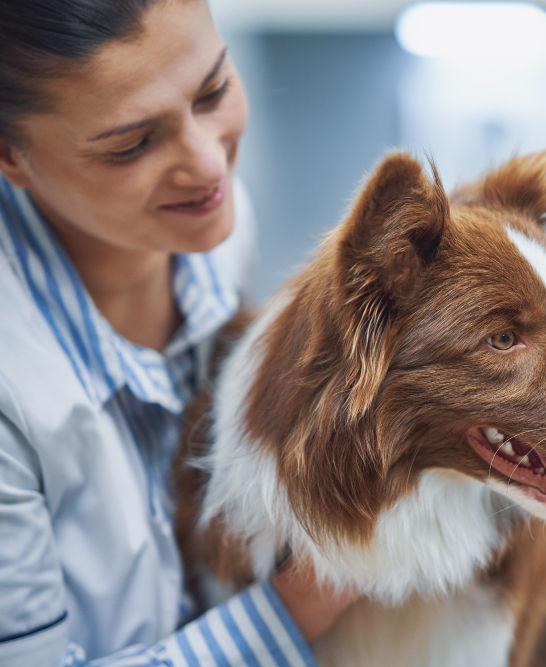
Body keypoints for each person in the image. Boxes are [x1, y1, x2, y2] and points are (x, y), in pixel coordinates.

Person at [0, 0, 358, 664]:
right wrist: (294, 608)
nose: (208, 165)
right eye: (132, 144)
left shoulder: (218, 231)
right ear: (10, 155)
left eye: (214, 89)